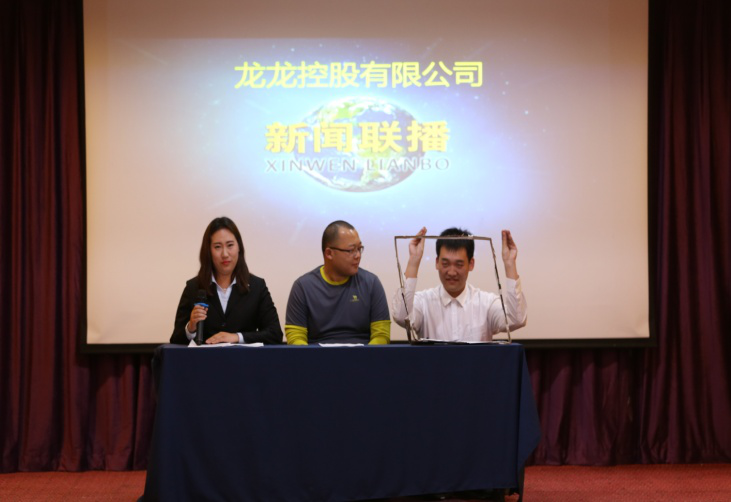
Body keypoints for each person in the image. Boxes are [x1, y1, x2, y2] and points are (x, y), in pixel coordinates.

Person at [391, 227, 527, 342]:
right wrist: (413, 261)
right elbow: (402, 317)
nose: (451, 272)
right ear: (437, 263)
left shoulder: (486, 303)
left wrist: (510, 264)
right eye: (445, 264)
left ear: (471, 264)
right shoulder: (424, 302)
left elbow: (516, 320)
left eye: (459, 264)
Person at [170, 216, 283, 345]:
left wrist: (237, 337)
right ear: (208, 251)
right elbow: (175, 340)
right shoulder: (193, 287)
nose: (225, 254)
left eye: (230, 245)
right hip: (206, 358)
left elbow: (275, 334)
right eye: (217, 247)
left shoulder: (257, 286)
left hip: (244, 358)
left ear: (239, 247)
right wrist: (191, 327)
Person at [285, 220, 390, 345]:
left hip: (363, 354)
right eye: (351, 250)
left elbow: (381, 335)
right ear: (329, 253)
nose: (357, 255)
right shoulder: (303, 287)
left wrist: (363, 355)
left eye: (359, 249)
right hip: (317, 355)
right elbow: (295, 338)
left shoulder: (371, 283)